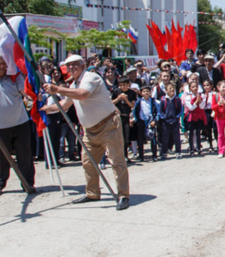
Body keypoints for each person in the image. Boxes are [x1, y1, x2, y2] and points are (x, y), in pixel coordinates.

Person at [41, 55, 129, 210]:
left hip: (108, 126)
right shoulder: (75, 83)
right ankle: (92, 192)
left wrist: (57, 89)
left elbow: (82, 94)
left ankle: (123, 195)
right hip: (89, 131)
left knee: (116, 161)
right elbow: (66, 103)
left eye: (75, 64)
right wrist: (47, 109)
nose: (72, 68)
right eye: (69, 66)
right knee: (88, 162)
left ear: (83, 65)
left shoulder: (90, 77)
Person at [0, 53, 35, 197]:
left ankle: (28, 183)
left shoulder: (14, 74)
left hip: (20, 122)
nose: (2, 67)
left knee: (25, 155)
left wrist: (32, 96)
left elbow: (23, 91)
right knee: (0, 158)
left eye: (4, 63)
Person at [111, 76, 137, 162]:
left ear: (128, 84)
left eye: (124, 85)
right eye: (120, 85)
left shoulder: (132, 93)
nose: (122, 87)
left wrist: (126, 100)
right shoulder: (116, 91)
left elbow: (132, 105)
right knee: (117, 137)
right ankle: (117, 156)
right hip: (117, 116)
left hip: (126, 116)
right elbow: (111, 103)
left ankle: (125, 155)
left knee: (125, 137)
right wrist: (118, 98)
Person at [132, 86, 158, 162]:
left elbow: (157, 111)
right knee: (140, 140)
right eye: (144, 91)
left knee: (153, 138)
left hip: (150, 121)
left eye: (147, 91)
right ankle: (141, 156)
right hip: (141, 121)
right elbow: (135, 111)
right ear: (141, 93)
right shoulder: (139, 101)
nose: (146, 93)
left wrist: (155, 120)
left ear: (150, 92)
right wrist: (137, 120)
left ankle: (154, 155)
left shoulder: (153, 101)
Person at [159, 83, 183, 159]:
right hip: (166, 122)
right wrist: (164, 118)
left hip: (175, 122)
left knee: (176, 138)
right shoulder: (163, 99)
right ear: (166, 90)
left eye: (173, 88)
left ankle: (178, 151)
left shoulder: (177, 99)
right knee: (165, 138)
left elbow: (180, 110)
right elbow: (160, 111)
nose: (172, 89)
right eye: (170, 88)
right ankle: (164, 152)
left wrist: (176, 117)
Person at [182, 79, 206, 156]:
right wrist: (196, 102)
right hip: (192, 117)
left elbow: (202, 107)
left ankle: (198, 148)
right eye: (193, 87)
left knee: (198, 132)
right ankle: (191, 148)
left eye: (196, 86)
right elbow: (191, 108)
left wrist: (200, 101)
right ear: (190, 88)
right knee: (191, 133)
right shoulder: (188, 97)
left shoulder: (201, 95)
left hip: (199, 116)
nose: (195, 88)